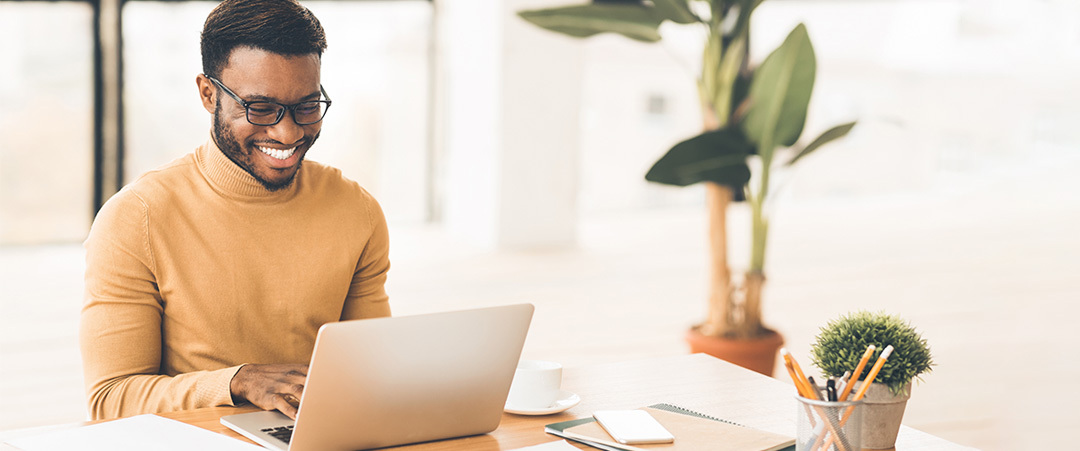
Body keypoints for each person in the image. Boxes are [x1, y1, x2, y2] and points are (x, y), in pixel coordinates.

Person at [79, 0, 390, 421]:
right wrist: (237, 381)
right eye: (260, 108)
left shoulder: (357, 211)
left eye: (306, 106)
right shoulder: (137, 218)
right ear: (209, 94)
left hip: (318, 437)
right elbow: (111, 399)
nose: (287, 132)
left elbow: (374, 369)